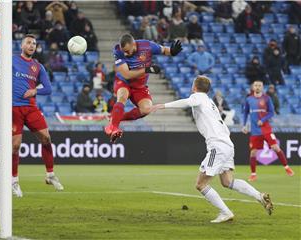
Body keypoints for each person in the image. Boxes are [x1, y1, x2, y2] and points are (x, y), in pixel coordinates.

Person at [152, 75, 273, 223]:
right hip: (227, 143)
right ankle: (259, 196)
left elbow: (187, 102)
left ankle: (225, 212)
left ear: (194, 87)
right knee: (227, 182)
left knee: (201, 184)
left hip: (217, 145)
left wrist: (163, 105)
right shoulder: (210, 102)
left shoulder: (198, 97)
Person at [104, 34, 183, 142]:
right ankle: (113, 128)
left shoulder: (147, 46)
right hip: (123, 82)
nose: (126, 54)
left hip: (139, 87)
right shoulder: (118, 51)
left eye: (127, 51)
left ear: (134, 44)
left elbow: (164, 50)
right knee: (122, 96)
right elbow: (127, 74)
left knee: (146, 109)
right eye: (124, 52)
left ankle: (116, 118)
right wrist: (147, 69)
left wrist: (172, 51)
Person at [12, 35, 63, 197]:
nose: (32, 45)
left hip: (31, 108)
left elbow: (48, 89)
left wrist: (34, 90)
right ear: (22, 45)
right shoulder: (11, 60)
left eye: (34, 43)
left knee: (46, 138)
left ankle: (50, 175)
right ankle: (13, 181)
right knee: (15, 145)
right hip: (14, 108)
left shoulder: (38, 67)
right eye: (28, 42)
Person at [242, 80, 294, 181]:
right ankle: (253, 174)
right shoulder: (249, 99)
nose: (257, 87)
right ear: (253, 87)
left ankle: (287, 168)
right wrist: (244, 125)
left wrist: (263, 120)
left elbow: (271, 112)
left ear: (262, 87)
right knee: (253, 152)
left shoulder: (266, 98)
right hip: (255, 130)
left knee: (275, 147)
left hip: (266, 128)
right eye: (256, 85)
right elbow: (245, 113)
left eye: (259, 85)